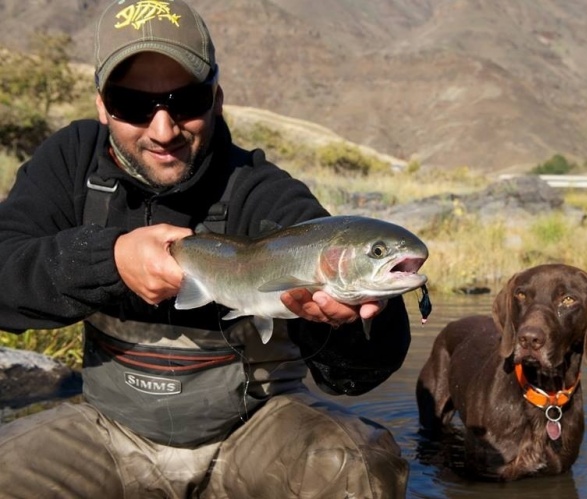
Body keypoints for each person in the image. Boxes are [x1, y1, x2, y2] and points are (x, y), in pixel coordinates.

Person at [0, 1, 412, 497]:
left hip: (253, 434)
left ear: (216, 98)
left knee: (358, 467)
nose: (163, 129)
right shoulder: (72, 163)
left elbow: (356, 378)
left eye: (185, 100)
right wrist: (108, 260)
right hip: (108, 433)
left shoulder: (264, 193)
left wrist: (357, 322)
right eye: (133, 105)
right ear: (102, 106)